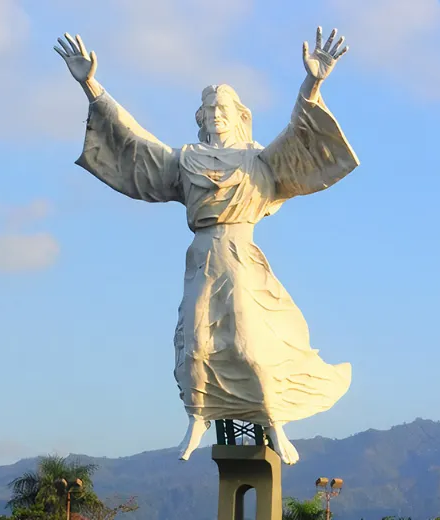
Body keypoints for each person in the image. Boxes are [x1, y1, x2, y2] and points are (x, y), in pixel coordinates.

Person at [54, 27, 358, 465]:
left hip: (240, 260)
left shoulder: (259, 161)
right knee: (196, 345)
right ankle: (196, 420)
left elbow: (300, 134)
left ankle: (276, 424)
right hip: (202, 258)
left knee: (252, 346)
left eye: (223, 108)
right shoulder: (186, 160)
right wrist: (90, 85)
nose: (216, 114)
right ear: (201, 115)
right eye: (209, 108)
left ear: (237, 114)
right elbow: (134, 142)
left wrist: (313, 83)